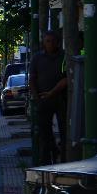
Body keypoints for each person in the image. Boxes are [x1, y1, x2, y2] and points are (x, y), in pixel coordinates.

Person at [28, 30, 68, 165]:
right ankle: (47, 159)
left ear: (57, 42)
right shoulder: (37, 58)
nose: (50, 44)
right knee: (44, 133)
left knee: (65, 131)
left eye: (53, 41)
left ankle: (64, 160)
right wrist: (36, 98)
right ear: (43, 43)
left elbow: (67, 78)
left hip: (61, 99)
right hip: (43, 100)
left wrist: (52, 92)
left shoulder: (64, 56)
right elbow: (32, 79)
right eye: (47, 41)